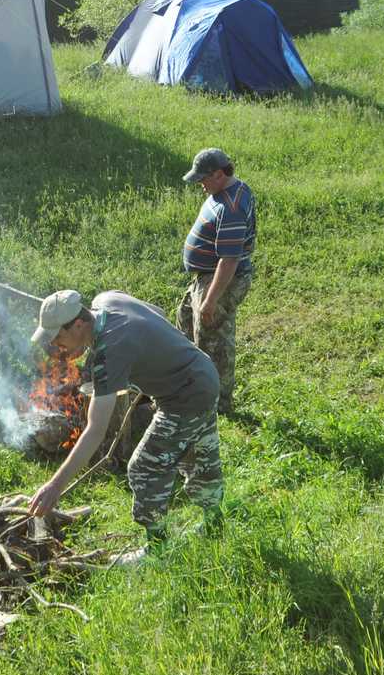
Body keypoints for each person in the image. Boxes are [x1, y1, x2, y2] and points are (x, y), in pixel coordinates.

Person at [28, 288, 222, 561]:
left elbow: (95, 430)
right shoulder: (107, 300)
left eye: (58, 337)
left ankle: (158, 551)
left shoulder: (110, 353)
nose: (57, 346)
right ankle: (215, 524)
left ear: (79, 324)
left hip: (184, 396)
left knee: (143, 468)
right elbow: (156, 313)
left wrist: (55, 486)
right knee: (199, 454)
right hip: (203, 372)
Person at [177, 147, 255, 415]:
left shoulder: (231, 207)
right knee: (187, 324)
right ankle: (192, 389)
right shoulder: (225, 192)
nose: (200, 184)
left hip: (220, 281)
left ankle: (218, 405)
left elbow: (229, 260)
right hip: (206, 277)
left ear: (219, 174)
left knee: (214, 342)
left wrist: (210, 301)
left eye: (203, 179)